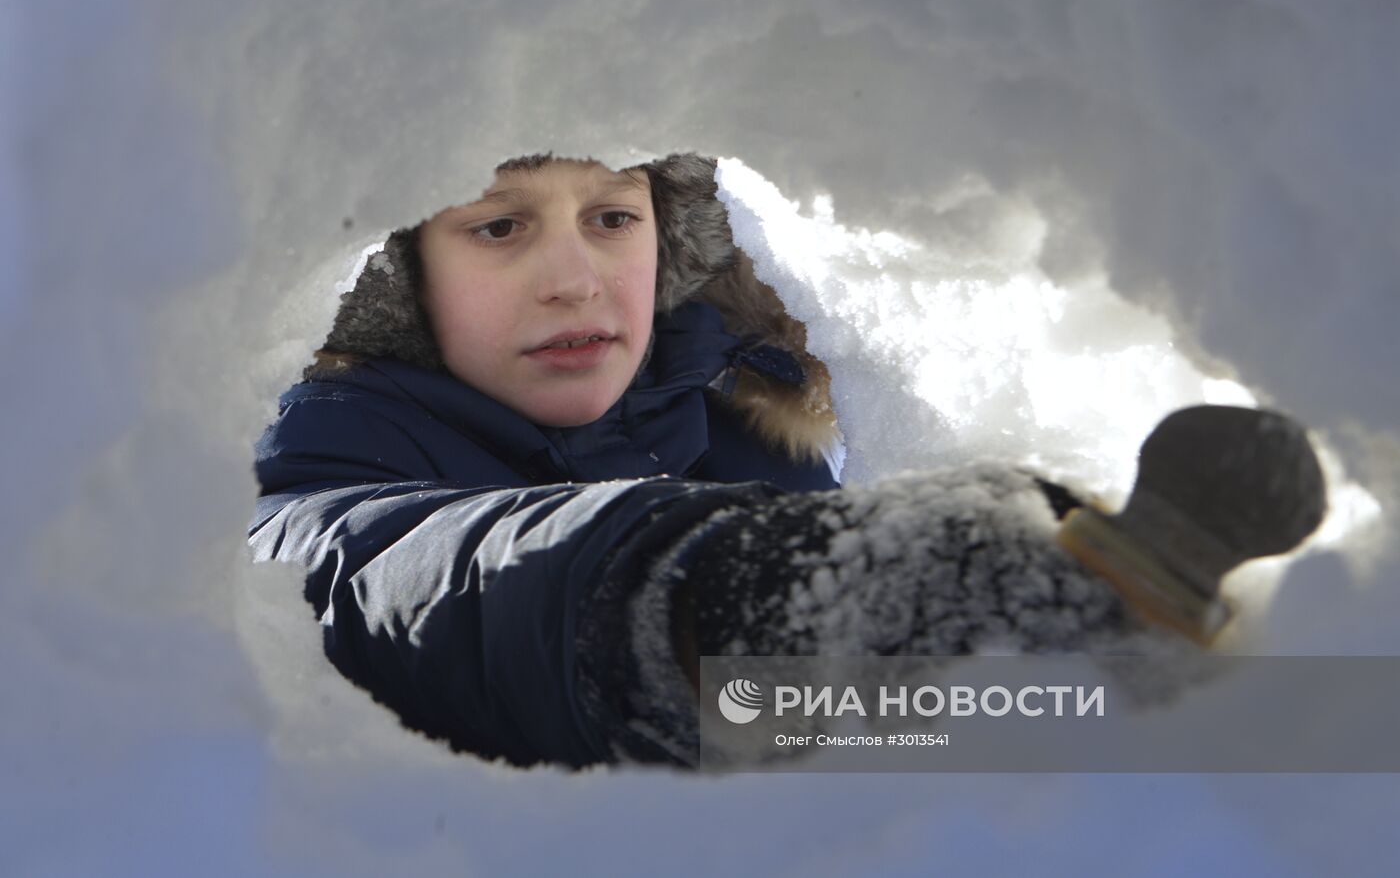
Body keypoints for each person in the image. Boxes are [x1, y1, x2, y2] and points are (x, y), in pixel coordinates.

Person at [246, 153, 1325, 770]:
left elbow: (825, 720)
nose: (575, 279)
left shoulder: (751, 426)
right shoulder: (327, 447)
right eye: (497, 228)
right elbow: (369, 579)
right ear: (398, 271)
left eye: (614, 217)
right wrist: (717, 596)